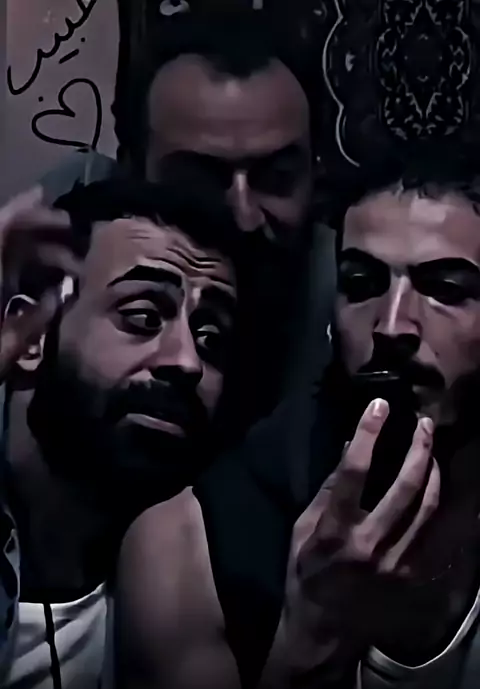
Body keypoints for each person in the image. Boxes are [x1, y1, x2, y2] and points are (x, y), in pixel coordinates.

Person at [115, 138, 480, 689]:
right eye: (361, 284)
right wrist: (309, 640)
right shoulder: (188, 547)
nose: (392, 325)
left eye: (445, 288)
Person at [0, 176, 241, 689]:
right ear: (32, 338)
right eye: (142, 316)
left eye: (211, 338)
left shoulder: (190, 569)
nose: (187, 361)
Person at [1, 9, 335, 417]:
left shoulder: (356, 295)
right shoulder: (53, 251)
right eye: (198, 183)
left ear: (316, 175)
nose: (244, 217)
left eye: (277, 179)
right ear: (131, 170)